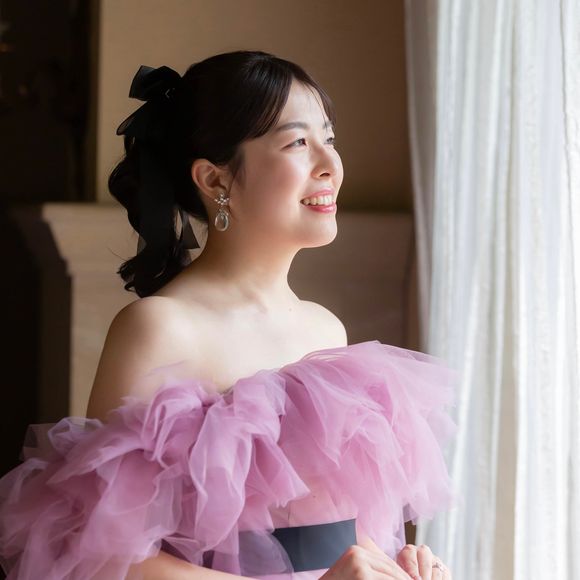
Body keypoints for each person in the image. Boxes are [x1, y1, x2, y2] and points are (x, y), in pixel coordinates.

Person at [0, 50, 458, 580]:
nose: (330, 164)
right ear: (216, 181)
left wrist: (394, 564)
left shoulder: (324, 328)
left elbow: (324, 531)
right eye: (297, 143)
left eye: (329, 139)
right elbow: (106, 558)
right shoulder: (161, 328)